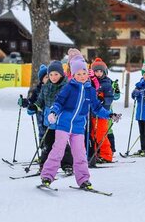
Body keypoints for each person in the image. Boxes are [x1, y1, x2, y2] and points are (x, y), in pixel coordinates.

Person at [41, 57, 120, 190]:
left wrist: (110, 115)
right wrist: (54, 112)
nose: (82, 76)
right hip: (64, 125)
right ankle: (47, 176)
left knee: (80, 154)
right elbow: (59, 102)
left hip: (78, 127)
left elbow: (97, 107)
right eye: (78, 74)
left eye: (84, 73)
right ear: (73, 75)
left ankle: (83, 179)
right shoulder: (69, 88)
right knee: (58, 150)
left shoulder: (90, 90)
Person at [35, 61, 69, 169]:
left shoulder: (66, 87)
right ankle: (44, 165)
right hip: (49, 122)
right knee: (48, 144)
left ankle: (67, 164)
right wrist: (34, 107)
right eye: (50, 75)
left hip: (61, 122)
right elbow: (40, 101)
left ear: (61, 74)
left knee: (62, 145)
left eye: (56, 74)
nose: (53, 77)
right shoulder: (45, 87)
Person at [88, 58, 116, 164]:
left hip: (102, 113)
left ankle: (106, 155)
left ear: (104, 72)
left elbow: (110, 97)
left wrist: (103, 100)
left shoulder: (107, 83)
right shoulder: (90, 83)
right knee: (93, 134)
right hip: (91, 113)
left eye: (101, 71)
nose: (98, 74)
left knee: (101, 134)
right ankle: (95, 154)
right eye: (96, 71)